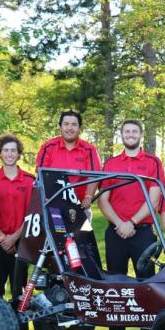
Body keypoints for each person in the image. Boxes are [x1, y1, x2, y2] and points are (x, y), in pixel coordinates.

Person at [98, 119, 165, 330]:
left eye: (134, 131)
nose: (130, 134)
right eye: (127, 131)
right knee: (114, 284)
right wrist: (120, 223)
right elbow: (103, 201)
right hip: (115, 232)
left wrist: (133, 223)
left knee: (146, 283)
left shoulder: (153, 162)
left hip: (143, 231)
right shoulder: (111, 164)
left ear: (141, 135)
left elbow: (155, 198)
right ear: (122, 135)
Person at [0, 134, 34, 330]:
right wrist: (2, 237)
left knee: (19, 289)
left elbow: (33, 214)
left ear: (19, 153)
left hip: (21, 242)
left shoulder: (30, 180)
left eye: (13, 150)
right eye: (6, 150)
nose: (10, 154)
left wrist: (14, 237)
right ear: (0, 153)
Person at [36, 110, 102, 268]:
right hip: (54, 208)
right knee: (54, 250)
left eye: (74, 124)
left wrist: (88, 196)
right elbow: (41, 175)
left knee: (82, 249)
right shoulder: (48, 147)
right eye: (66, 124)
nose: (70, 128)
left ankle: (82, 282)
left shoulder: (89, 149)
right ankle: (55, 285)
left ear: (80, 128)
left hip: (79, 209)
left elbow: (94, 175)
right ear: (60, 126)